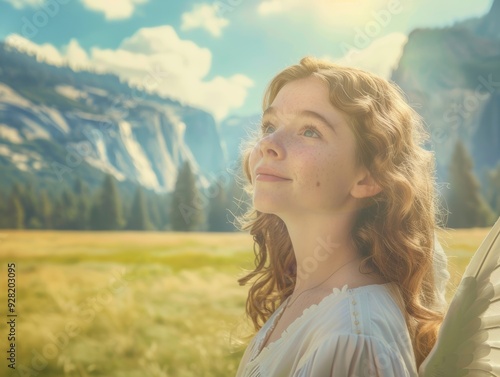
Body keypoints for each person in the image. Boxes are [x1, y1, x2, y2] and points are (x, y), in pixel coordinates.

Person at [234, 56, 449, 376]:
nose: (268, 144)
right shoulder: (313, 295)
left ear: (368, 178)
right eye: (269, 126)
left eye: (309, 130)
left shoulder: (352, 340)